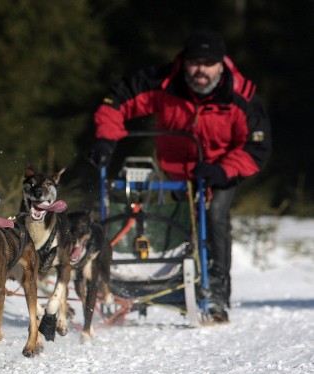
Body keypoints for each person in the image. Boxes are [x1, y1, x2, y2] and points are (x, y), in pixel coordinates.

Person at [88, 29, 271, 323]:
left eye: (207, 63)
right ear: (183, 62)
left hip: (218, 170)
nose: (200, 70)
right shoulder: (163, 81)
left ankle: (216, 292)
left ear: (221, 64)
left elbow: (257, 148)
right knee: (149, 214)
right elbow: (117, 101)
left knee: (214, 219)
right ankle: (136, 280)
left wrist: (221, 170)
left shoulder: (241, 96)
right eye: (194, 62)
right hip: (174, 169)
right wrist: (106, 140)